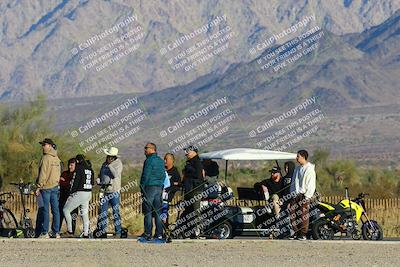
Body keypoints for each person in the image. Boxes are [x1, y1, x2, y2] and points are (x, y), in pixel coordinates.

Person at [63, 154, 94, 238]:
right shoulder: (90, 169)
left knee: (66, 210)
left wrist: (71, 192)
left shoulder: (79, 168)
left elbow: (75, 181)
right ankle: (86, 233)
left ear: (77, 161)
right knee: (84, 213)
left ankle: (69, 230)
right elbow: (92, 183)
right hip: (88, 192)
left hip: (80, 192)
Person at [35, 138, 61, 238]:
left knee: (45, 209)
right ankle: (56, 232)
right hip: (55, 187)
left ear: (50, 146)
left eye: (44, 145)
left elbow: (43, 174)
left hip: (45, 188)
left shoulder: (46, 158)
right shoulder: (57, 158)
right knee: (55, 210)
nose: (42, 147)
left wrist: (39, 186)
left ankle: (45, 232)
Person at [289, 150, 316, 241]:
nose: (296, 158)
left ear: (303, 157)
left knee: (303, 215)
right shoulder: (297, 169)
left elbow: (311, 184)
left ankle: (303, 234)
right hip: (295, 195)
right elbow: (293, 182)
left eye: (298, 156)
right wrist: (292, 194)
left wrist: (307, 196)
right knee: (293, 215)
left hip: (304, 195)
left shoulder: (309, 169)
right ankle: (296, 232)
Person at [140, 143, 165, 240]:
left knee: (148, 211)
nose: (144, 150)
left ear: (152, 149)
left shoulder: (149, 160)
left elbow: (145, 175)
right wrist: (161, 185)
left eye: (146, 148)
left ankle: (148, 233)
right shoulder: (161, 161)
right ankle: (159, 233)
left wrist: (142, 187)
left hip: (149, 187)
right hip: (159, 187)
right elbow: (163, 175)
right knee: (158, 212)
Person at [96, 147, 123, 237]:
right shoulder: (104, 164)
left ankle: (118, 231)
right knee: (103, 211)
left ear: (113, 157)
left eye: (110, 156)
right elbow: (101, 174)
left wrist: (110, 165)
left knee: (116, 212)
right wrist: (99, 179)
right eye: (108, 156)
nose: (108, 157)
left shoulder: (118, 163)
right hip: (105, 191)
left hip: (114, 191)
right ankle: (102, 231)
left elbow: (115, 174)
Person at [182, 145, 204, 238]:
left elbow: (198, 176)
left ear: (194, 152)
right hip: (189, 190)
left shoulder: (197, 162)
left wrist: (188, 170)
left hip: (195, 190)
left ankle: (198, 231)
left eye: (188, 151)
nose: (186, 153)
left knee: (195, 212)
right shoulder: (189, 162)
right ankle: (188, 231)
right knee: (188, 211)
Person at [59, 158, 78, 234]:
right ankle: (56, 230)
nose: (70, 167)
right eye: (69, 165)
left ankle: (71, 231)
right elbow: (61, 182)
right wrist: (68, 183)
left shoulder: (77, 174)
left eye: (72, 165)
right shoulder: (64, 173)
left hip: (73, 199)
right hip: (63, 197)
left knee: (73, 215)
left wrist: (66, 182)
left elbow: (73, 185)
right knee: (60, 214)